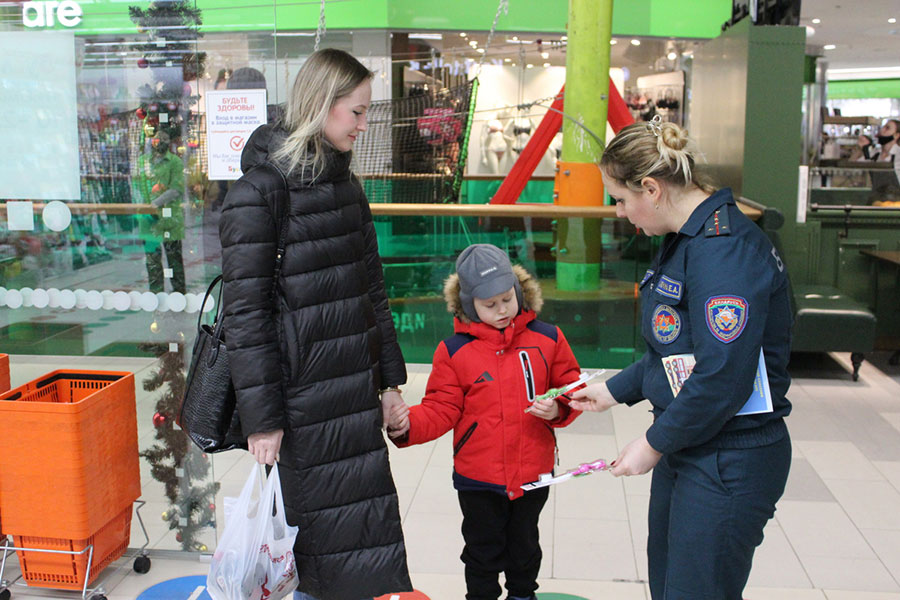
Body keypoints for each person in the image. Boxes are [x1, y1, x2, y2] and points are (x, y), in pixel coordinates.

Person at [568, 117, 793, 600]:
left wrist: (652, 443)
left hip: (729, 455)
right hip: (691, 441)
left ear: (650, 188)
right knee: (670, 587)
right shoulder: (685, 239)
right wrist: (612, 390)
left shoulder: (723, 251)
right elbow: (678, 353)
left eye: (621, 199)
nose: (619, 212)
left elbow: (721, 377)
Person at [218, 48, 411, 600]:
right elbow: (246, 314)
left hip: (351, 398)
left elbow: (372, 292)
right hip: (300, 407)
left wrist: (389, 385)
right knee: (309, 552)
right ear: (322, 105)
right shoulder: (260, 192)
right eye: (357, 111)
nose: (364, 123)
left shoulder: (346, 188)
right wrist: (262, 420)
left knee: (363, 543)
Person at [388, 243, 582, 600]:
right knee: (482, 550)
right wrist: (407, 425)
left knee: (525, 547)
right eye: (489, 305)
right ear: (467, 305)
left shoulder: (548, 338)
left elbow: (570, 384)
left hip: (532, 471)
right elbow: (440, 407)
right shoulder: (454, 351)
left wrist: (559, 407)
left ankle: (523, 595)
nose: (502, 310)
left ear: (519, 291)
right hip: (478, 476)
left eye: (507, 299)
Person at [134, 129, 186, 293]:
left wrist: (154, 204)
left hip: (169, 220)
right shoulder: (143, 162)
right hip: (148, 220)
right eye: (157, 139)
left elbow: (176, 189)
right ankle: (156, 296)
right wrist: (143, 207)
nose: (160, 142)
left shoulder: (175, 162)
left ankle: (179, 294)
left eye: (164, 139)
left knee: (174, 260)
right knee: (152, 261)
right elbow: (136, 185)